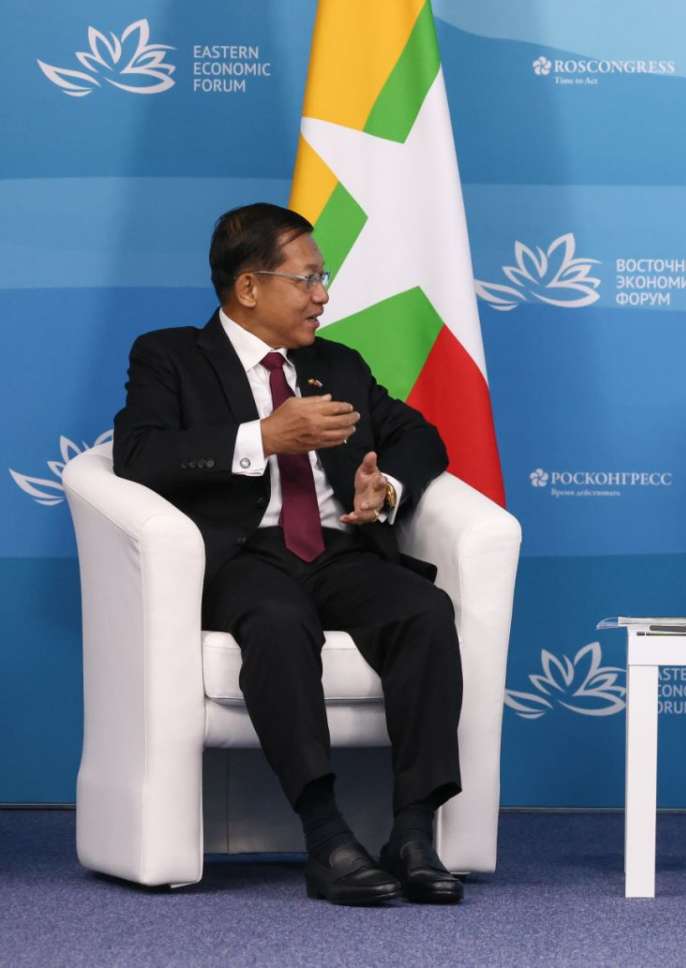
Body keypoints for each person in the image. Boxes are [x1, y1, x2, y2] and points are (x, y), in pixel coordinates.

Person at [114, 203, 466, 906]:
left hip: (340, 550)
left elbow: (419, 436)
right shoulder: (171, 357)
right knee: (277, 623)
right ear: (249, 287)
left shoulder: (338, 363)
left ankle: (412, 833)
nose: (322, 296)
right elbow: (139, 454)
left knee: (425, 611)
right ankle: (327, 836)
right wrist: (263, 438)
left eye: (322, 278)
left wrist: (386, 489)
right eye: (307, 279)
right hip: (245, 555)